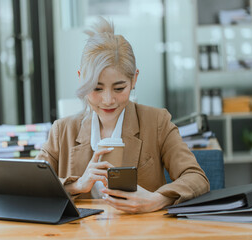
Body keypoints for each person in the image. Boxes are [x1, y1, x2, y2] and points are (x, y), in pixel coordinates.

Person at [36, 17, 209, 213]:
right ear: (81, 80)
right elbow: (32, 184)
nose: (108, 100)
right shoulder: (62, 130)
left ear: (134, 79)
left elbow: (197, 178)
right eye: (97, 88)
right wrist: (77, 185)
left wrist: (157, 199)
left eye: (119, 88)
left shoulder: (157, 122)